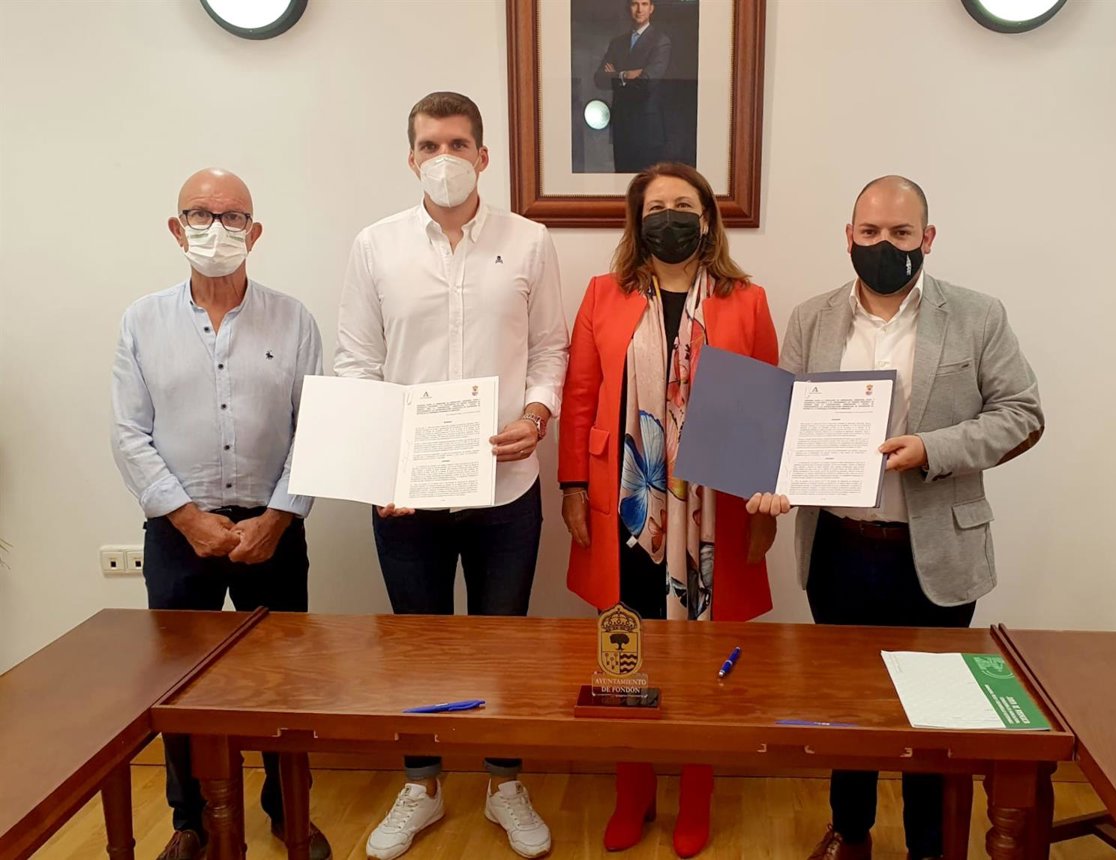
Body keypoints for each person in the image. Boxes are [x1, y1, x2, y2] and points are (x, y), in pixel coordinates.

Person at [749, 176, 1044, 860]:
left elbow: (1022, 414)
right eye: (871, 232)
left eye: (901, 233)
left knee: (933, 716)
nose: (885, 245)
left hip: (936, 551)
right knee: (847, 708)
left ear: (927, 239)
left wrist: (932, 449)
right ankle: (850, 832)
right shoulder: (813, 318)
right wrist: (772, 482)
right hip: (839, 548)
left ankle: (927, 848)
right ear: (849, 237)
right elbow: (785, 424)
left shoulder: (978, 315)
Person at [334, 91, 568, 860]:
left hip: (507, 485)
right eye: (430, 145)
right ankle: (422, 786)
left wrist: (536, 414)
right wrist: (376, 464)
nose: (445, 158)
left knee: (505, 644)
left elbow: (550, 349)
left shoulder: (529, 241)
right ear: (411, 158)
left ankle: (504, 784)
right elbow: (357, 362)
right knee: (417, 645)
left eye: (458, 144)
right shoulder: (375, 246)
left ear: (483, 156)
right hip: (408, 492)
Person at [558, 162, 779, 858]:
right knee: (625, 652)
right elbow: (581, 395)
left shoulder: (747, 300)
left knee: (704, 658)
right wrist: (571, 486)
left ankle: (696, 792)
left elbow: (767, 408)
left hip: (718, 507)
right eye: (655, 207)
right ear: (637, 221)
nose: (669, 217)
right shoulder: (604, 294)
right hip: (626, 505)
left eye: (683, 204)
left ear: (707, 218)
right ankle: (633, 791)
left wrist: (767, 508)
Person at [110, 168, 329, 860]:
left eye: (233, 217)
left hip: (273, 529)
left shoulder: (294, 319)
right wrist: (186, 518)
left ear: (254, 233)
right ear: (177, 230)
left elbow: (315, 431)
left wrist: (278, 517)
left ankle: (287, 808)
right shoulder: (142, 321)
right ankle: (191, 821)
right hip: (180, 531)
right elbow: (129, 435)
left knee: (283, 684)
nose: (216, 229)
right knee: (179, 686)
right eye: (200, 215)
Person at [594, 0, 672, 172]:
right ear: (628, 8)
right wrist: (625, 74)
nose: (639, 9)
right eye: (634, 4)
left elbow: (646, 83)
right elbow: (599, 79)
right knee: (621, 181)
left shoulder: (660, 41)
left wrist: (615, 75)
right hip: (621, 125)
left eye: (644, 4)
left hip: (647, 128)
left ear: (651, 8)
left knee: (646, 182)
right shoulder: (617, 43)